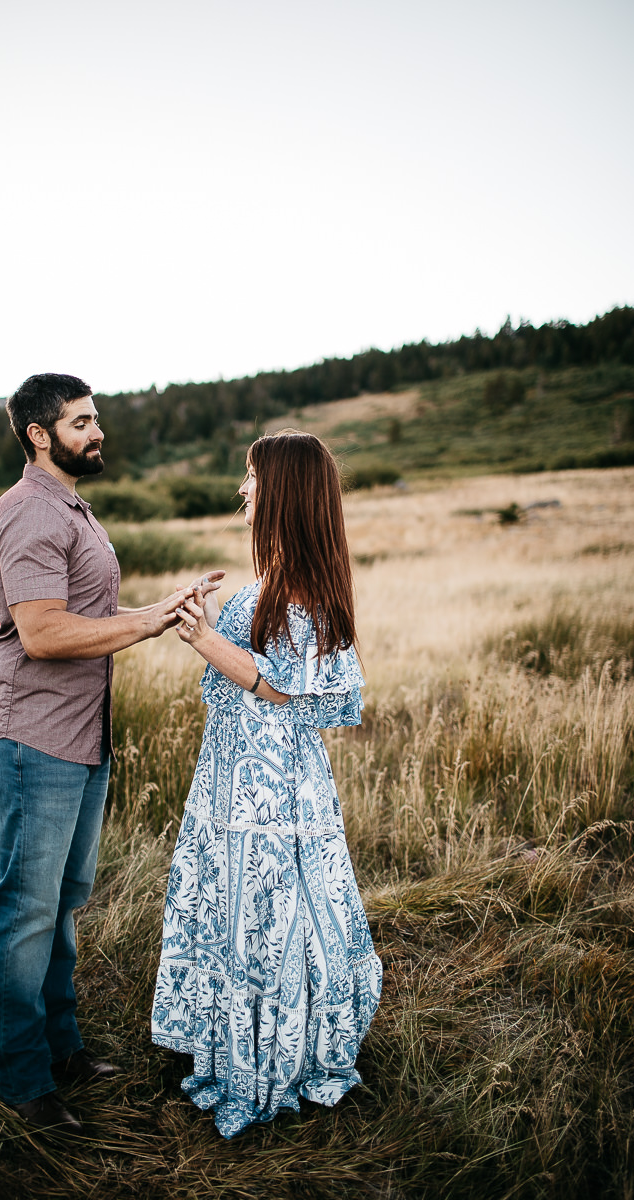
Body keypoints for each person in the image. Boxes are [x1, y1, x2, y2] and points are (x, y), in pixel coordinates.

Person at [0, 372, 214, 1136]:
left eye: (95, 419)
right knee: (26, 909)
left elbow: (85, 615)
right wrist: (148, 621)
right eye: (81, 423)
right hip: (28, 736)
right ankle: (25, 1082)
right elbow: (42, 634)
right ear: (40, 435)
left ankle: (63, 1049)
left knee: (63, 903)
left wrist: (160, 611)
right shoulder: (30, 513)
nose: (96, 432)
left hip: (79, 735)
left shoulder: (72, 505)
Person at [151, 429, 382, 1139]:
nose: (243, 489)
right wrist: (216, 625)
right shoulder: (274, 577)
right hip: (242, 778)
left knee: (272, 917)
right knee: (249, 916)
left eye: (253, 478)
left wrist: (205, 638)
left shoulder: (303, 581)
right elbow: (255, 667)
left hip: (272, 792)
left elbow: (284, 686)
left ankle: (274, 1059)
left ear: (281, 490)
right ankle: (240, 1045)